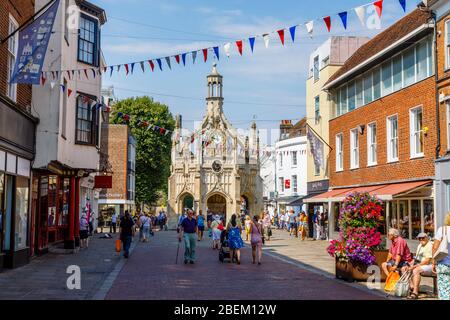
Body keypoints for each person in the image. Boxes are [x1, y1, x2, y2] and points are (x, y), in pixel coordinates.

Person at [400, 233, 433, 299]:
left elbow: (427, 260)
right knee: (404, 268)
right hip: (421, 264)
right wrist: (410, 265)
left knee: (416, 270)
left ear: (427, 238)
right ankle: (412, 287)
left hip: (430, 265)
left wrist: (414, 266)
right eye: (419, 238)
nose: (421, 239)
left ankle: (415, 292)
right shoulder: (420, 245)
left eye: (423, 238)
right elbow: (416, 259)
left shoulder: (430, 245)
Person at [432, 212, 450, 300]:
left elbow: (435, 247)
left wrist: (433, 262)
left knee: (444, 289)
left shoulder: (442, 230)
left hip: (443, 264)